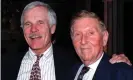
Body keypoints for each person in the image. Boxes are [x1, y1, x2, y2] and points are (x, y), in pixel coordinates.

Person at [1, 1, 132, 80]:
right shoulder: (5, 64)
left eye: (40, 22)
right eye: (28, 24)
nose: (33, 29)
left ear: (52, 28)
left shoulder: (70, 62)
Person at [68, 10, 133, 80]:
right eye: (77, 34)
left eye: (91, 33)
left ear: (104, 38)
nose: (83, 41)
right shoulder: (69, 71)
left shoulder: (122, 74)